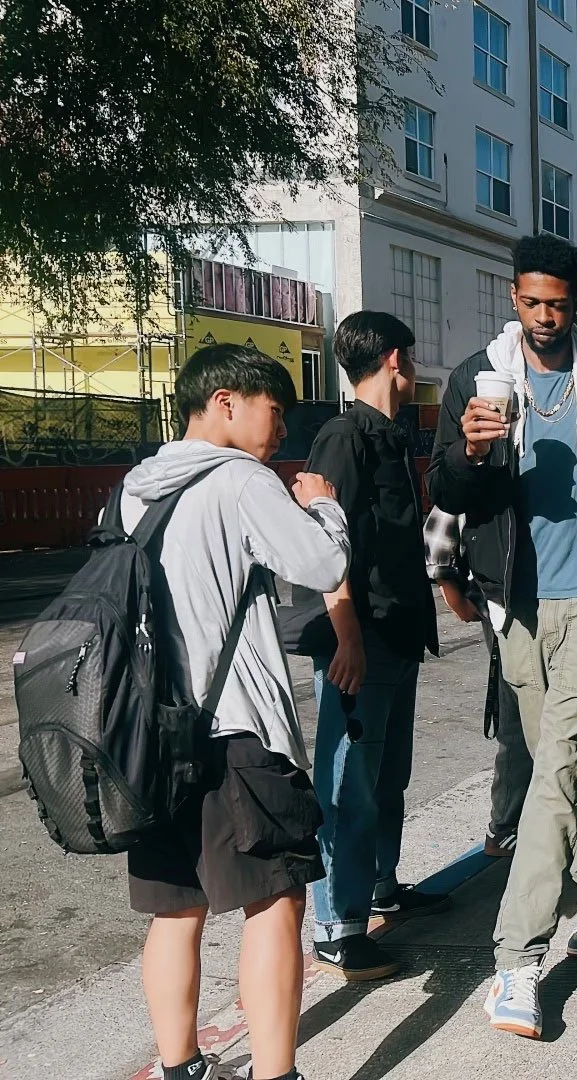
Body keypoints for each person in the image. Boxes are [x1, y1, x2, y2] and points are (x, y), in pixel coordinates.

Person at [429, 234, 577, 1040]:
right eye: (530, 302)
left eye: (556, 304)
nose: (542, 317)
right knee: (551, 774)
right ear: (513, 297)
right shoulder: (477, 376)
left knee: (560, 763)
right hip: (516, 606)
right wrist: (469, 449)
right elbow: (445, 491)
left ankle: (516, 963)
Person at [123, 344, 350, 1080]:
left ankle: (180, 1067)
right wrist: (321, 506)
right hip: (238, 730)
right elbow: (321, 566)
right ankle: (276, 1074)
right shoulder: (241, 479)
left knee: (175, 908)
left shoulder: (134, 488)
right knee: (276, 900)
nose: (280, 429)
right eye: (273, 409)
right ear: (225, 401)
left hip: (151, 734)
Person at [299, 311, 443, 983]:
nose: (416, 369)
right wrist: (347, 639)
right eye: (411, 357)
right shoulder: (343, 438)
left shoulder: (392, 436)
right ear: (393, 360)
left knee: (389, 778)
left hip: (398, 636)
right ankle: (336, 927)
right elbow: (328, 552)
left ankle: (381, 887)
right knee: (349, 785)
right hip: (363, 643)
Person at [423, 505, 530, 860]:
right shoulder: (484, 456)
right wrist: (453, 594)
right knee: (516, 716)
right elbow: (440, 525)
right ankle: (505, 826)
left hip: (530, 595)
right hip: (503, 603)